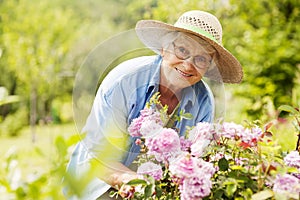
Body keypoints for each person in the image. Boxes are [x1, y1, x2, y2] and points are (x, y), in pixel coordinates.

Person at [65, 10, 243, 199]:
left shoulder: (204, 101)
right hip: (98, 186)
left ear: (208, 66)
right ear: (165, 48)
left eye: (201, 59)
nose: (188, 65)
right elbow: (99, 160)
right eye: (182, 51)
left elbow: (194, 162)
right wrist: (139, 184)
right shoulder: (124, 82)